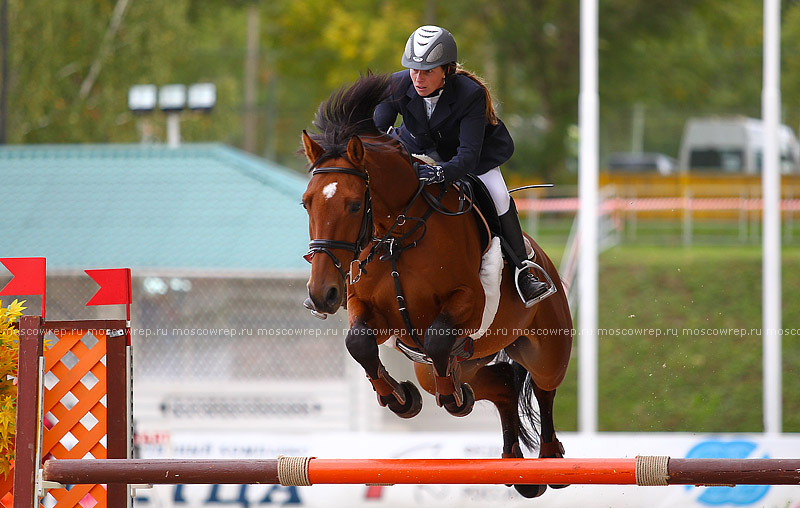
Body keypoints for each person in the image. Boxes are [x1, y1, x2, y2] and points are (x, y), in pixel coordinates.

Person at [374, 25, 550, 306]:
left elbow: (467, 155)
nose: (418, 78)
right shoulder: (396, 84)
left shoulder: (470, 94)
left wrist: (439, 173)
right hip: (417, 150)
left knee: (500, 197)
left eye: (428, 71)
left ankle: (524, 271)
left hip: (473, 158)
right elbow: (375, 132)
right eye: (414, 70)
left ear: (447, 70)